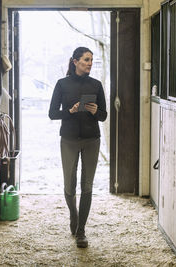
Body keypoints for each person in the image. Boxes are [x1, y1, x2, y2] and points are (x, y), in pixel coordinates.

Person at [48, 47, 107, 248]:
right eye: (86, 60)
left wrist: (96, 110)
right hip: (69, 139)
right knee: (69, 184)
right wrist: (70, 111)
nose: (90, 63)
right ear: (75, 62)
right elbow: (52, 114)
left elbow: (104, 116)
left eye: (91, 60)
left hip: (92, 139)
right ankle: (74, 215)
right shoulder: (62, 84)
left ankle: (81, 230)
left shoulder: (96, 85)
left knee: (87, 185)